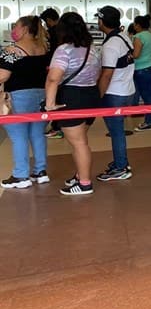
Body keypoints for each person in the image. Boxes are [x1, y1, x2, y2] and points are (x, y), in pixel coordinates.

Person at [45, 12, 102, 196]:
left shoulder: (64, 50)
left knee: (79, 143)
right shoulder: (91, 49)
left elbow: (53, 79)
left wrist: (50, 104)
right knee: (81, 141)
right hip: (90, 96)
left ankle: (84, 183)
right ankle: (80, 175)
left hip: (72, 97)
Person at [0, 16, 50, 189]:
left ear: (26, 29)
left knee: (18, 135)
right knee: (37, 133)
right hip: (41, 95)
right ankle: (40, 172)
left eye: (17, 26)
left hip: (18, 96)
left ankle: (21, 175)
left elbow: (3, 75)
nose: (14, 30)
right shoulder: (44, 47)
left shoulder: (12, 50)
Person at [95, 6, 136, 182]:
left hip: (114, 93)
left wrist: (98, 96)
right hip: (126, 90)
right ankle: (121, 162)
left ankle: (121, 167)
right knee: (117, 130)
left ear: (102, 21)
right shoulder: (123, 37)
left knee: (116, 132)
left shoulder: (111, 44)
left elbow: (107, 74)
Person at [131, 15, 151, 132]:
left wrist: (128, 55)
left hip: (141, 69)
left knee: (147, 96)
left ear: (138, 25)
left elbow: (136, 55)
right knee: (150, 95)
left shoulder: (138, 36)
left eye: (135, 24)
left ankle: (148, 122)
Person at [40, 8, 64, 139]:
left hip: (54, 68)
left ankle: (56, 127)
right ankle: (58, 126)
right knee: (60, 96)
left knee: (54, 97)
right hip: (64, 70)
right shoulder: (64, 31)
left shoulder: (51, 33)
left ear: (49, 20)